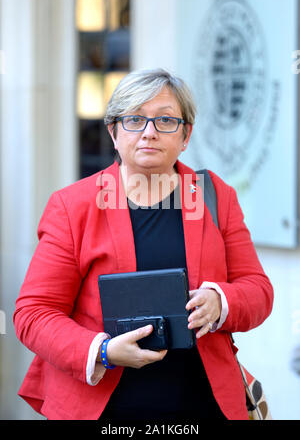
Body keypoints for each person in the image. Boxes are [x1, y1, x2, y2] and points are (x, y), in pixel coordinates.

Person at [14, 68, 274, 421]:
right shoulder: (73, 206)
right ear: (114, 132)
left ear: (186, 135)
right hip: (105, 407)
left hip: (202, 402)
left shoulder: (215, 196)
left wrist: (221, 301)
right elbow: (33, 313)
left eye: (166, 120)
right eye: (135, 119)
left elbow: (258, 290)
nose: (149, 133)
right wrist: (102, 350)